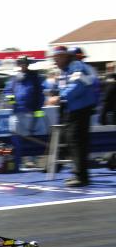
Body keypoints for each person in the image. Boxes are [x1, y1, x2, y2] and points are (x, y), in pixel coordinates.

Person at [47, 46, 97, 187]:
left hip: (81, 109)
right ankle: (78, 174)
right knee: (72, 141)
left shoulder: (76, 66)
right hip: (73, 109)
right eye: (54, 58)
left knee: (77, 142)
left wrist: (59, 97)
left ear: (65, 56)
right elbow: (62, 86)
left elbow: (77, 86)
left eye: (57, 58)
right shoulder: (65, 70)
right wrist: (54, 92)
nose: (55, 61)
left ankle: (81, 177)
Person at [4, 56, 46, 162]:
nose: (23, 65)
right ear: (19, 64)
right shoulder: (14, 78)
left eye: (25, 63)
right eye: (21, 63)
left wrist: (38, 111)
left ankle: (32, 160)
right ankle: (17, 160)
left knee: (31, 136)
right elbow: (8, 91)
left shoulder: (34, 77)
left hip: (30, 112)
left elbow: (40, 95)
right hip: (16, 112)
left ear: (28, 64)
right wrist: (12, 102)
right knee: (15, 136)